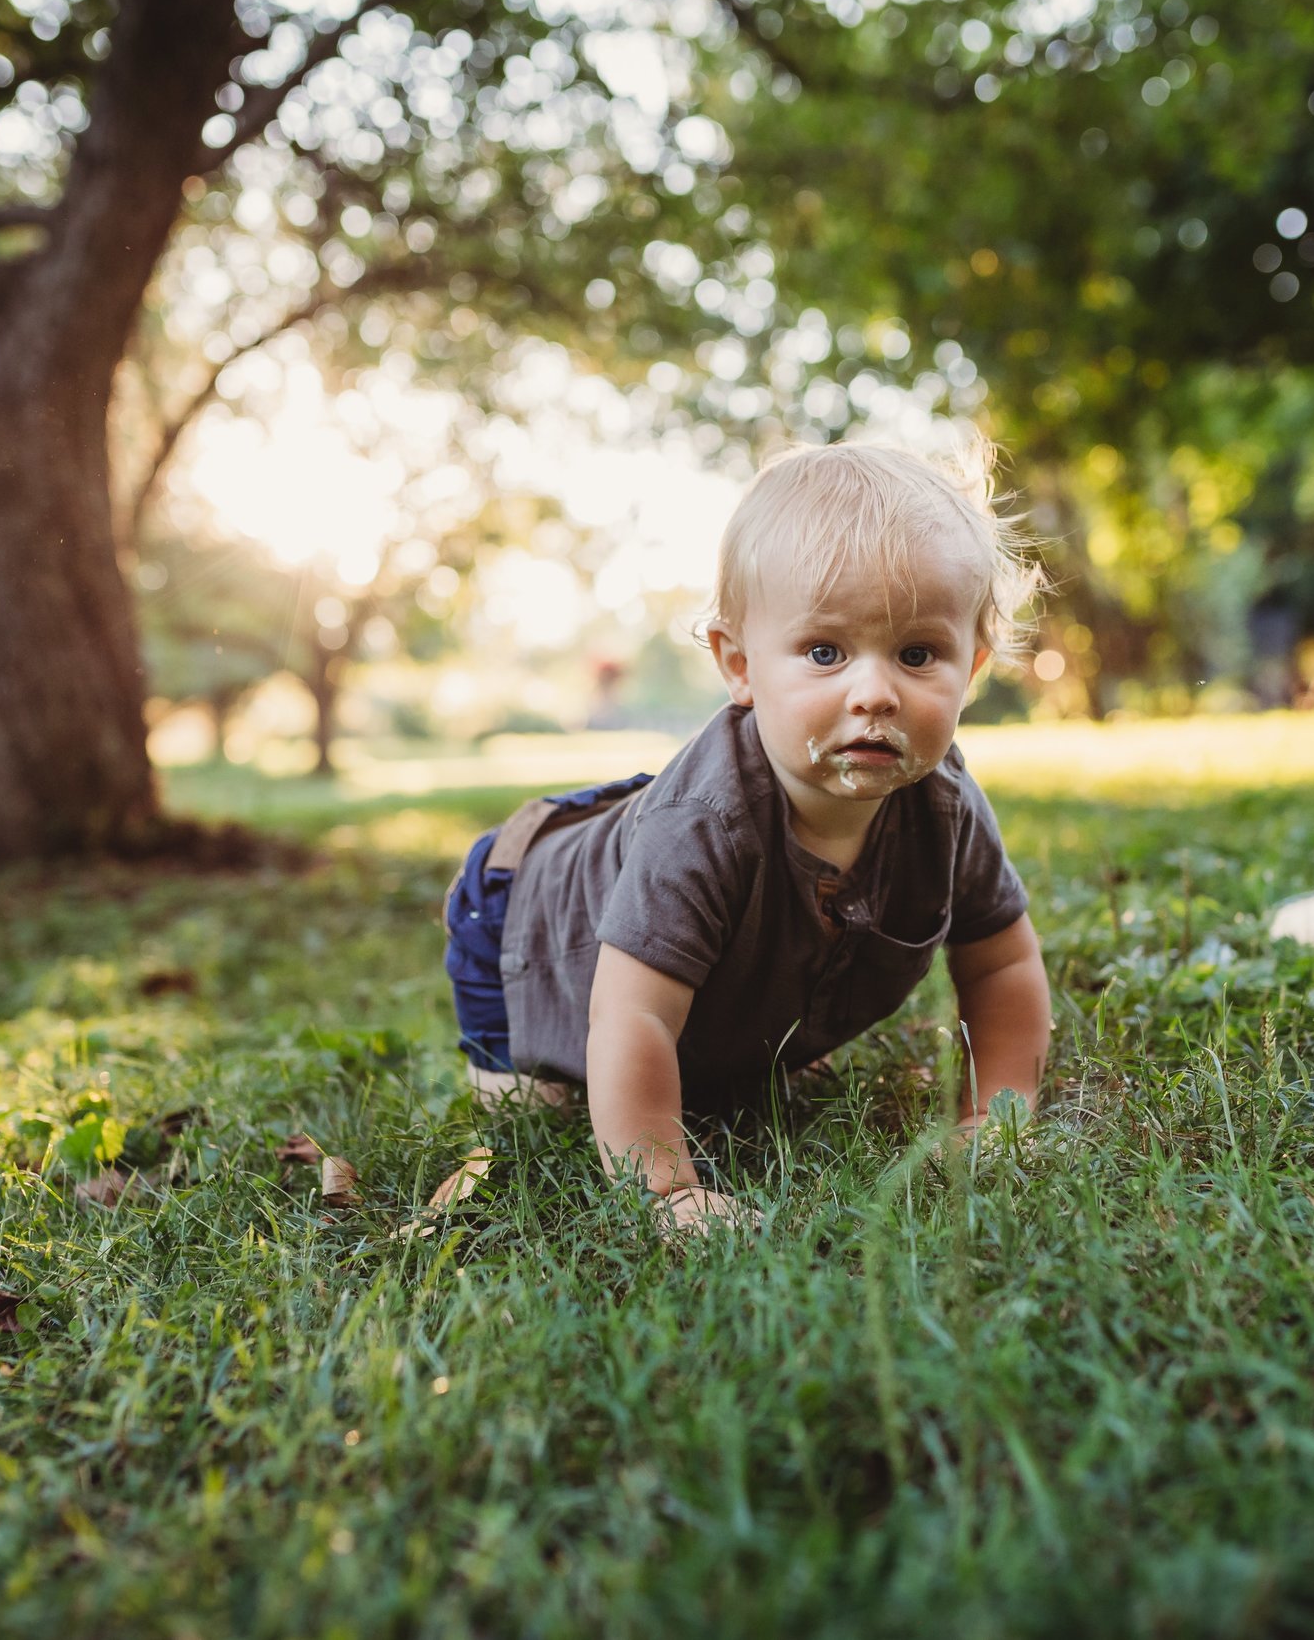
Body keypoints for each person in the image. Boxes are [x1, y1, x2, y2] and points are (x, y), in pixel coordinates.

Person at [442, 443, 1052, 1231]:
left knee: (733, 1076)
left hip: (696, 947)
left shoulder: (946, 806)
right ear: (740, 665)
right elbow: (633, 1018)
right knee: (545, 1110)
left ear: (970, 668)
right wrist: (668, 1193)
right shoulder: (703, 825)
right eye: (825, 652)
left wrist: (995, 1116)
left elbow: (1002, 961)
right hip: (525, 918)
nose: (874, 692)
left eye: (916, 653)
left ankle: (738, 1038)